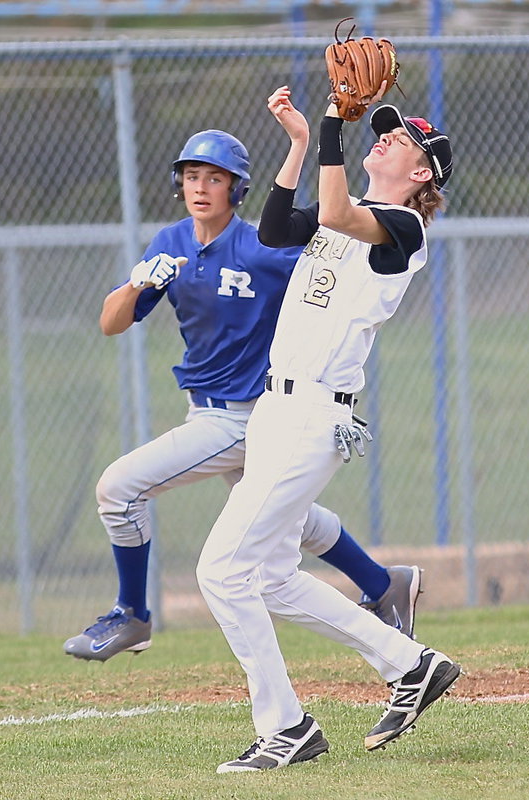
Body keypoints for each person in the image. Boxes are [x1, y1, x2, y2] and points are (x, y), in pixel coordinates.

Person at [63, 128, 422, 663]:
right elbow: (111, 323)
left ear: (238, 189)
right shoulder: (170, 244)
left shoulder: (261, 247)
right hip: (217, 412)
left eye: (215, 178)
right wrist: (137, 284)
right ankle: (382, 582)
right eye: (191, 177)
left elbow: (328, 272)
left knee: (118, 489)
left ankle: (132, 615)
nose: (201, 187)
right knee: (290, 520)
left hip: (247, 415)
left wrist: (310, 144)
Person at [195, 84, 460, 774]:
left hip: (312, 413)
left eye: (400, 140)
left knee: (222, 570)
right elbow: (276, 230)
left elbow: (335, 210)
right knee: (274, 578)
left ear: (422, 173)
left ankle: (286, 728)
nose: (386, 138)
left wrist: (335, 124)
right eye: (384, 131)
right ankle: (411, 663)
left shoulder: (403, 229)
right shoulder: (354, 214)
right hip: (281, 409)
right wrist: (302, 145)